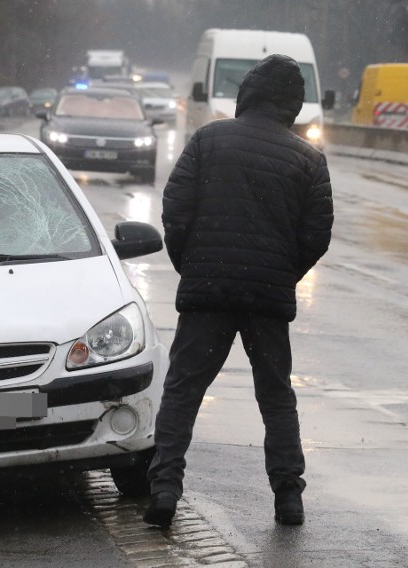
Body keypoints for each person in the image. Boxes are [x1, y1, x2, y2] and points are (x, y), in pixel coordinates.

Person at [143, 54, 334, 527]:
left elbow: (175, 209)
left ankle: (165, 489)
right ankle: (288, 495)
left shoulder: (209, 140)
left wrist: (192, 266)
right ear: (293, 104)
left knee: (184, 389)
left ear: (246, 93)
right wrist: (280, 274)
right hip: (266, 298)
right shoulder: (308, 159)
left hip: (208, 289)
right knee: (275, 393)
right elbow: (317, 234)